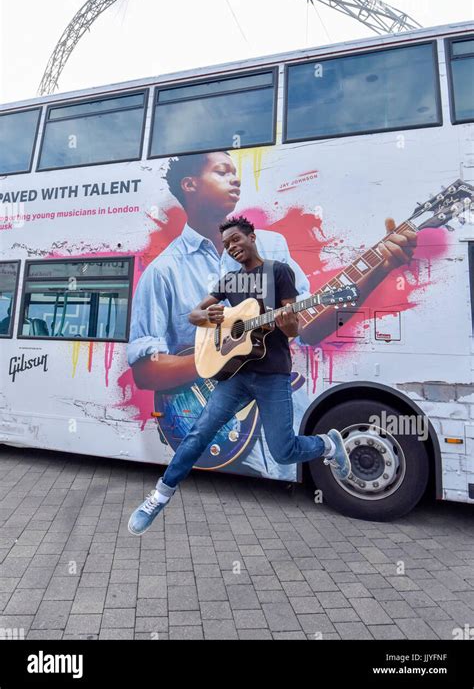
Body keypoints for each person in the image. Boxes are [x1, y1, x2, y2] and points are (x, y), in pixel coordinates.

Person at [128, 214, 417, 535]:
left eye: (236, 240)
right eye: (226, 244)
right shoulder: (229, 282)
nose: (232, 248)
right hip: (235, 376)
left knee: (284, 450)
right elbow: (197, 313)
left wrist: (287, 321)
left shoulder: (279, 272)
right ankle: (159, 496)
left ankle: (328, 445)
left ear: (252, 238)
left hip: (272, 375)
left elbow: (300, 328)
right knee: (197, 435)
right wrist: (205, 315)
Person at [127, 150, 313, 481]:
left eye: (235, 172)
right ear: (190, 185)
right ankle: (158, 497)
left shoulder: (273, 249)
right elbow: (146, 369)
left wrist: (377, 270)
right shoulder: (163, 271)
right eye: (222, 172)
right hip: (218, 431)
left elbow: (308, 328)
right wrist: (218, 355)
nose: (236, 179)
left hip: (279, 410)